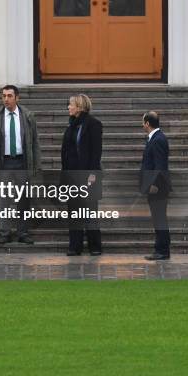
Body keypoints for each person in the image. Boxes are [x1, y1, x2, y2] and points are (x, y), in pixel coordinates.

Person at [0, 85, 41, 244]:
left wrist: (36, 165)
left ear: (17, 98)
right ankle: (5, 232)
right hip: (4, 163)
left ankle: (23, 232)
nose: (6, 99)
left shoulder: (28, 116)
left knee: (23, 199)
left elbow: (35, 142)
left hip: (22, 162)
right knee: (4, 199)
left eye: (9, 96)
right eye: (3, 96)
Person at [61, 94, 103, 256]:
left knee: (91, 211)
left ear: (79, 107)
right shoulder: (70, 126)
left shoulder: (94, 124)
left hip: (89, 175)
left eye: (71, 104)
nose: (68, 107)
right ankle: (75, 246)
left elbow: (96, 152)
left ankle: (95, 246)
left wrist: (92, 174)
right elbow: (65, 153)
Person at [140, 111, 172, 260]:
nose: (142, 125)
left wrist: (155, 185)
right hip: (155, 186)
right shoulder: (155, 138)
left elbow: (160, 166)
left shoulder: (158, 139)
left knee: (160, 219)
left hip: (157, 187)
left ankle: (162, 250)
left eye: (143, 122)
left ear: (147, 123)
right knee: (159, 218)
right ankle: (161, 250)